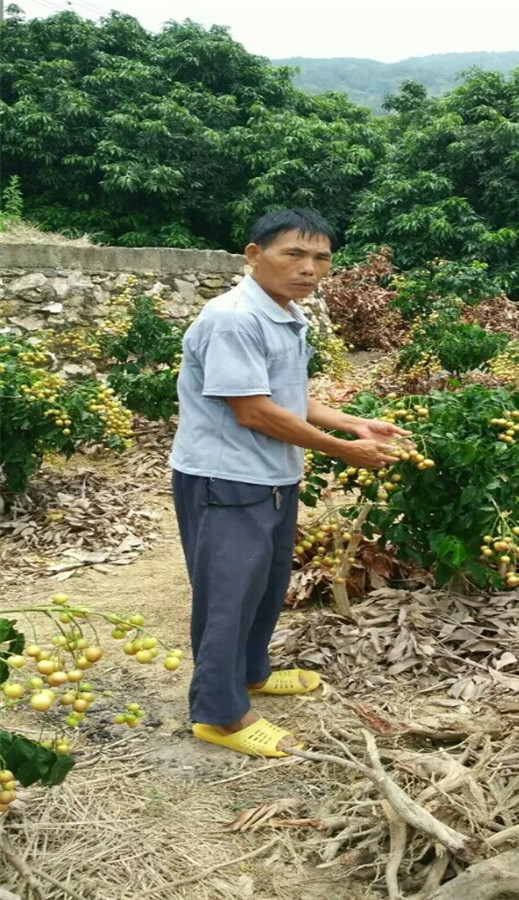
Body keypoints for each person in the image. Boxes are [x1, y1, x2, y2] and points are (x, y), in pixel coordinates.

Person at [169, 208, 408, 758]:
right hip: (226, 478)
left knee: (265, 583)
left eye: (321, 257)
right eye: (293, 254)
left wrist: (354, 423)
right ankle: (219, 714)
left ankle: (251, 672)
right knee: (227, 596)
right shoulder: (232, 319)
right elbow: (253, 411)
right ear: (254, 256)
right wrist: (346, 451)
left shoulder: (284, 313)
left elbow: (285, 397)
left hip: (272, 475)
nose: (309, 268)